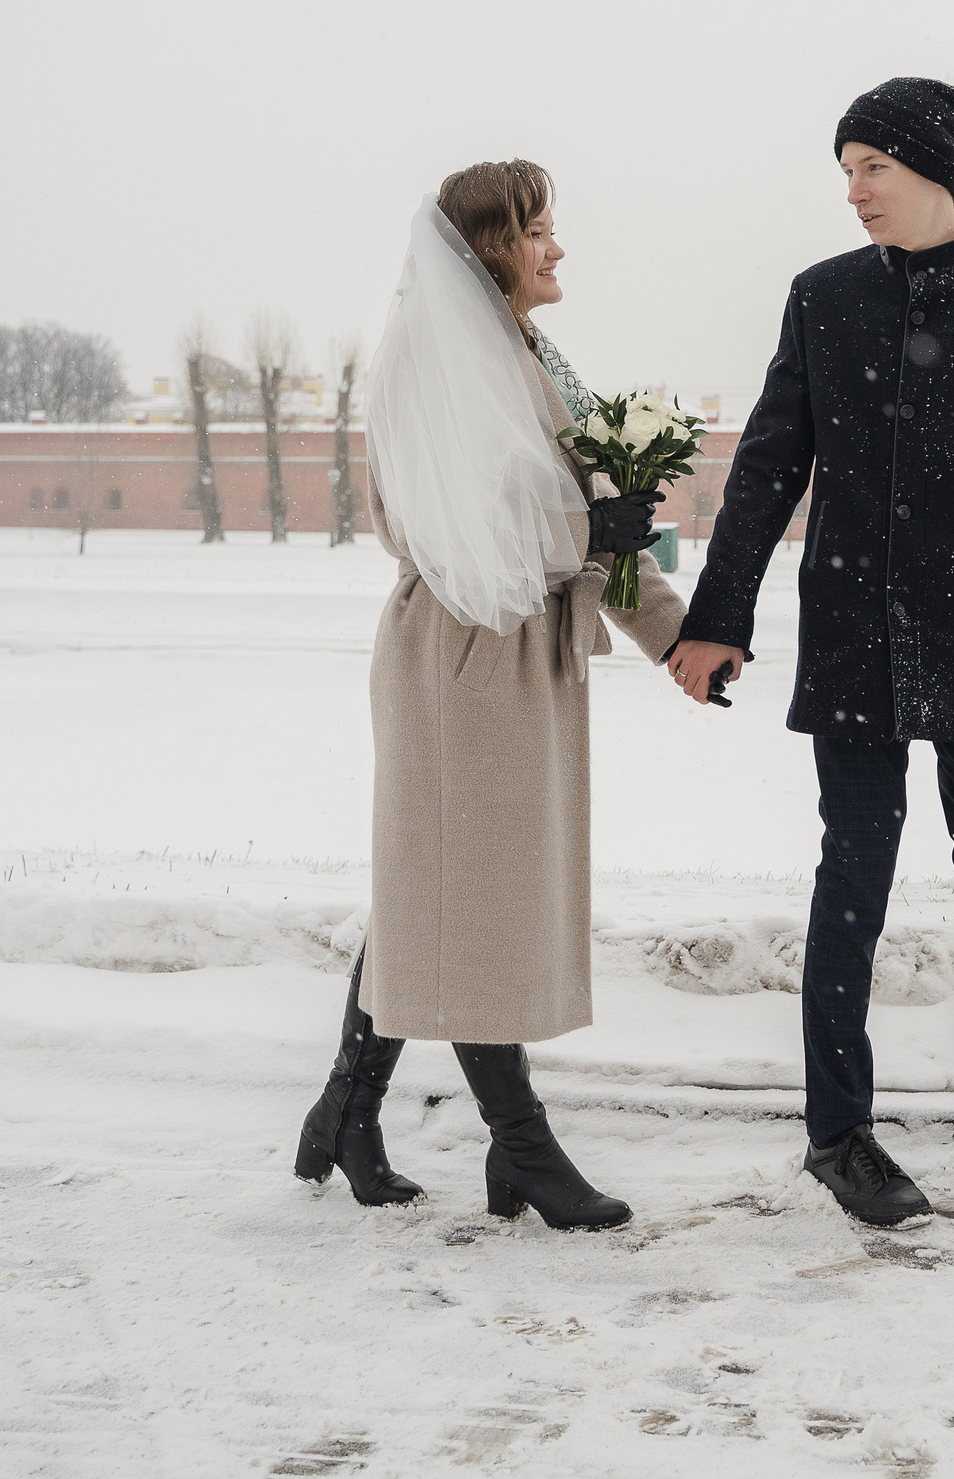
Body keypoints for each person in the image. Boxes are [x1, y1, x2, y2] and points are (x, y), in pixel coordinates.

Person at [667, 78, 954, 1227]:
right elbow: (769, 465)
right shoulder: (824, 300)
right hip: (852, 628)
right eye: (847, 169)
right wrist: (717, 618)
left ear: (933, 171)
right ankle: (839, 1136)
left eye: (873, 165)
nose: (855, 190)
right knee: (854, 881)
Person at [293, 159, 678, 1228]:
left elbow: (594, 525)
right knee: (468, 899)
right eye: (537, 230)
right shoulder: (429, 364)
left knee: (441, 889)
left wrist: (681, 643)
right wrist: (584, 535)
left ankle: (347, 1109)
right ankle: (523, 1151)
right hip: (461, 656)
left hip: (520, 654)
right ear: (486, 247)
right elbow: (443, 528)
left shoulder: (528, 353)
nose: (556, 248)